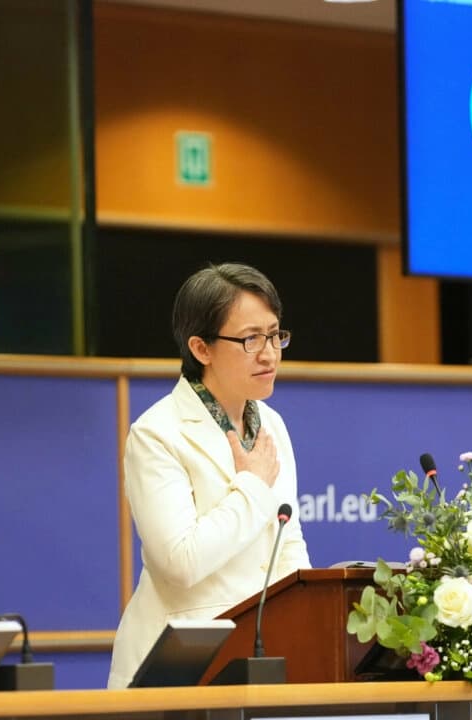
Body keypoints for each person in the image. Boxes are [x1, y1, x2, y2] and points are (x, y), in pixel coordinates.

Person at [107, 262, 312, 689]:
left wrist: (307, 624)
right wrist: (252, 486)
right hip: (180, 668)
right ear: (201, 349)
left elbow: (287, 546)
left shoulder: (271, 423)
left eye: (275, 335)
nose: (269, 353)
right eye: (251, 339)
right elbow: (180, 563)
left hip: (263, 658)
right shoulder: (156, 433)